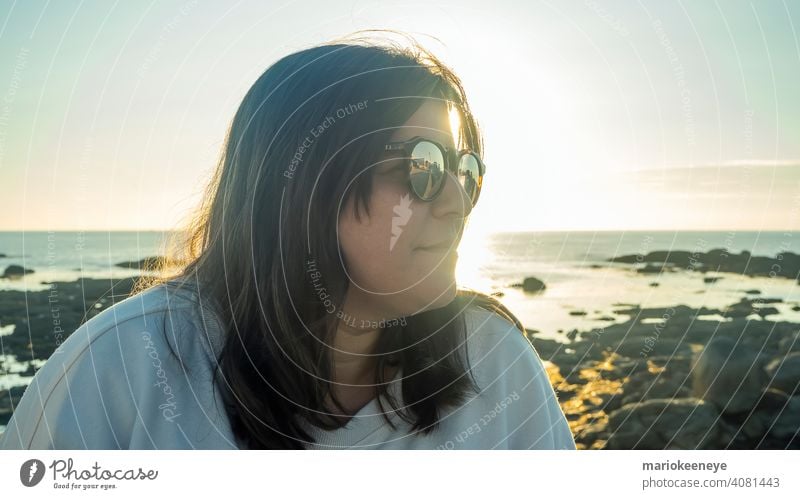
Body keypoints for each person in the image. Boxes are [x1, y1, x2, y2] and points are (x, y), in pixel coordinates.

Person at [0, 33, 576, 450]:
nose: (456, 199)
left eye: (467, 170)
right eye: (420, 168)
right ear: (299, 184)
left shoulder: (492, 362)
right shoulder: (121, 370)